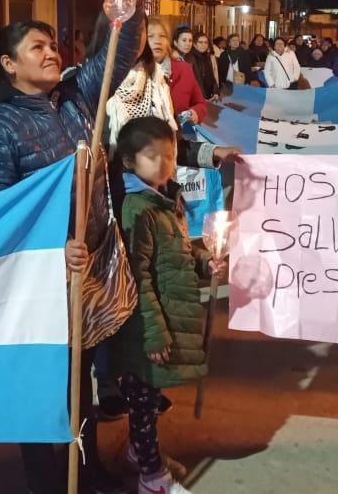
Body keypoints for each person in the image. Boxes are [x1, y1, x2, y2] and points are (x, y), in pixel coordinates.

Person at [0, 12, 144, 494]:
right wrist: (50, 250)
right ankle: (47, 480)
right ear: (8, 64)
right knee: (38, 386)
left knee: (77, 384)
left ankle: (85, 471)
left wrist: (126, 7)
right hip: (37, 284)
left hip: (84, 274)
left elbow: (119, 54)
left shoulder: (75, 100)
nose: (51, 53)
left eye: (52, 45)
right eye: (36, 48)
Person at [111, 116, 227, 494]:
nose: (165, 164)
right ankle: (151, 477)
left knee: (149, 402)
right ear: (129, 162)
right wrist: (152, 332)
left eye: (171, 155)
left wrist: (202, 261)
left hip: (166, 321)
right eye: (154, 156)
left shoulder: (166, 199)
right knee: (143, 403)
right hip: (144, 330)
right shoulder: (137, 209)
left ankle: (141, 454)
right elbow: (137, 275)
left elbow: (176, 251)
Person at [189, 31, 220, 101]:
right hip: (196, 97)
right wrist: (200, 97)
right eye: (200, 42)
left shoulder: (207, 57)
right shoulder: (190, 58)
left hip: (208, 96)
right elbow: (192, 81)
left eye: (206, 42)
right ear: (194, 44)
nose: (204, 45)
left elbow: (212, 76)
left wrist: (215, 92)